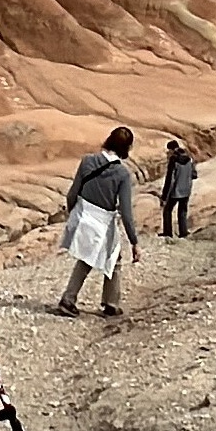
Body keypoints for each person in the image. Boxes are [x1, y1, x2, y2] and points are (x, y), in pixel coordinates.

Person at [54, 126, 140, 318]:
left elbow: (72, 193)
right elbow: (126, 211)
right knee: (110, 258)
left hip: (83, 215)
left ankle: (77, 299)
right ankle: (104, 302)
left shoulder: (88, 161)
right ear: (127, 148)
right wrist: (134, 242)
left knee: (92, 257)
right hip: (103, 221)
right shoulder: (122, 174)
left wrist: (74, 215)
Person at [161, 137, 197, 238]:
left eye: (168, 151)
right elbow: (194, 174)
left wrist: (164, 196)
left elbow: (170, 179)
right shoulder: (189, 158)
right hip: (187, 190)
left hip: (176, 191)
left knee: (167, 210)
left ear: (172, 150)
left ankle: (167, 233)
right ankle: (183, 233)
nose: (168, 154)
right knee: (182, 211)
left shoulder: (174, 160)